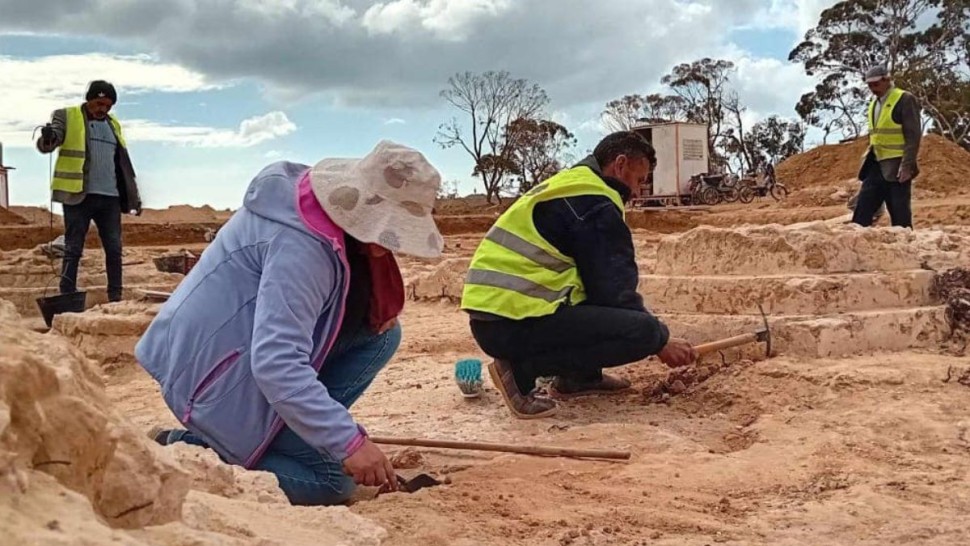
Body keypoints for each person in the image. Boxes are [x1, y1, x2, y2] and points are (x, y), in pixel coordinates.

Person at [136, 140, 445, 505]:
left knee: (381, 336)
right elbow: (276, 361)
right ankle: (188, 448)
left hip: (230, 354)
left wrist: (335, 436)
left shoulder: (323, 219)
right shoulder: (303, 247)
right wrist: (350, 443)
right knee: (332, 484)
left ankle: (287, 434)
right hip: (208, 377)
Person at [460, 131, 697, 419]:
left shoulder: (571, 186)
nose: (636, 193)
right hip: (510, 325)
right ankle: (519, 372)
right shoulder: (594, 203)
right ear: (620, 165)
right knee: (642, 331)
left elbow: (592, 284)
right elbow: (614, 290)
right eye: (639, 181)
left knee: (599, 307)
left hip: (498, 317)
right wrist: (659, 341)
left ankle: (580, 377)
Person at [36, 80, 142, 302]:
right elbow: (49, 143)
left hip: (110, 198)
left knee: (114, 249)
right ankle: (67, 295)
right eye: (99, 103)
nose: (103, 108)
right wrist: (47, 138)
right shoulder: (67, 116)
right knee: (73, 248)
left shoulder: (114, 125)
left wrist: (133, 195)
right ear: (89, 99)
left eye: (108, 105)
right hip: (78, 195)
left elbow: (122, 163)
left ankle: (115, 296)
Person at [850, 64, 922, 229]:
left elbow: (913, 136)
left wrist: (907, 166)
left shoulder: (904, 99)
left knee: (900, 215)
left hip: (897, 167)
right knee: (862, 211)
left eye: (876, 84)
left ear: (886, 80)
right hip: (875, 164)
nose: (872, 88)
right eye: (869, 85)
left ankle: (906, 248)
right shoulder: (873, 104)